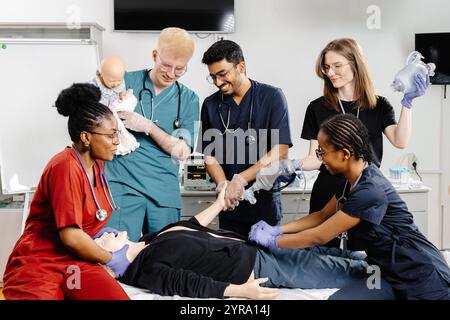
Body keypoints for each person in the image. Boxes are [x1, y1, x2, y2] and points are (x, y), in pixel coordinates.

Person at [249, 114, 450, 300]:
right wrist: (277, 229)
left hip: (421, 275)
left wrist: (275, 241)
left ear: (344, 153)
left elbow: (319, 236)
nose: (320, 158)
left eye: (322, 152)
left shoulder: (370, 191)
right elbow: (321, 216)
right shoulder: (349, 180)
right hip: (386, 271)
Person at [94, 184, 369, 300]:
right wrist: (239, 292)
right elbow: (188, 285)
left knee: (335, 255)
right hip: (257, 269)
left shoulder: (148, 240)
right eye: (100, 240)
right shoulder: (146, 269)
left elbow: (191, 225)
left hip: (255, 248)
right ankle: (390, 277)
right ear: (107, 262)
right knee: (340, 270)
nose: (105, 232)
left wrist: (219, 202)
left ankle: (378, 266)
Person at [2, 83, 130, 300]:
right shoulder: (65, 167)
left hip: (76, 264)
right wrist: (109, 257)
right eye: (110, 135)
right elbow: (71, 236)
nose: (117, 141)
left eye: (117, 133)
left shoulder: (97, 164)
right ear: (86, 137)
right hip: (41, 263)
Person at [298, 38, 429, 248]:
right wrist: (290, 165)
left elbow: (400, 140)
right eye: (326, 67)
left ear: (355, 64)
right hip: (327, 191)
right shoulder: (317, 107)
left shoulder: (378, 106)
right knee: (323, 258)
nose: (330, 73)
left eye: (337, 66)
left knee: (364, 258)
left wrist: (408, 103)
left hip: (364, 192)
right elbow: (315, 157)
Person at [105, 27, 200, 241]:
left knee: (163, 258)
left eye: (180, 69)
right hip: (122, 185)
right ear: (155, 55)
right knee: (117, 255)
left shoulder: (189, 99)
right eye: (166, 65)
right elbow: (94, 125)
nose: (171, 74)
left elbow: (182, 152)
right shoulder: (125, 82)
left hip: (163, 190)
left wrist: (148, 127)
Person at [199, 40, 292, 236]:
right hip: (229, 204)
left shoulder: (272, 97)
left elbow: (280, 149)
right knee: (232, 261)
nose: (217, 82)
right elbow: (209, 156)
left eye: (223, 74)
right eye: (213, 77)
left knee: (264, 261)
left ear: (241, 66)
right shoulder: (210, 105)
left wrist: (241, 179)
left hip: (264, 201)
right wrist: (223, 184)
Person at [92, 55, 139, 155]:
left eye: (119, 80)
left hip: (114, 106)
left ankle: (124, 143)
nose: (115, 84)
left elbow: (121, 90)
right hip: (102, 110)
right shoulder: (95, 84)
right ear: (101, 75)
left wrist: (122, 95)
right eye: (112, 81)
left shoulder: (120, 81)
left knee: (120, 125)